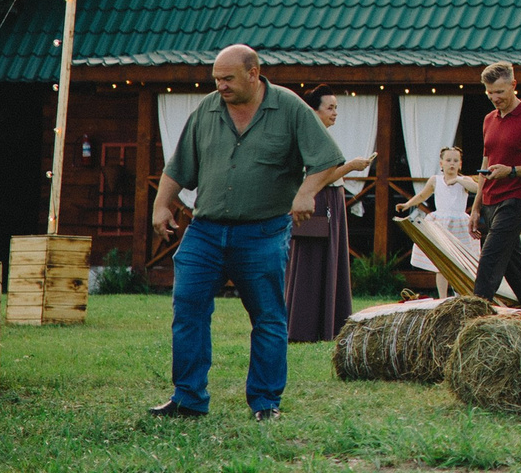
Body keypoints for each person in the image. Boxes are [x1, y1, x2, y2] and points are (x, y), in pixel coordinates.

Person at [149, 45, 343, 419]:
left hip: (264, 231)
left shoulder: (290, 108)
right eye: (216, 79)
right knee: (187, 309)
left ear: (253, 74)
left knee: (268, 317)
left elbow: (326, 158)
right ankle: (187, 398)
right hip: (205, 231)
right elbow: (178, 166)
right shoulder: (206, 110)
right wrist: (162, 204)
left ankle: (266, 403)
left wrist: (306, 192)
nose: (220, 86)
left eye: (227, 79)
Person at [284, 87, 372, 341]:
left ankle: (328, 325)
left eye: (336, 108)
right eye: (330, 108)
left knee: (329, 258)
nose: (335, 113)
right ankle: (305, 325)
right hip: (318, 199)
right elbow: (318, 176)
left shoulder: (322, 135)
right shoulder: (307, 137)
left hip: (332, 197)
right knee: (311, 259)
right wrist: (350, 167)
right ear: (314, 110)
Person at [471, 62, 521, 308]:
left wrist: (512, 171)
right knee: (513, 267)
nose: (494, 98)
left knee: (490, 260)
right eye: (489, 93)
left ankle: (473, 316)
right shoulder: (488, 120)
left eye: (500, 91)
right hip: (488, 201)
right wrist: (475, 207)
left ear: (513, 86)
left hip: (517, 198)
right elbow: (486, 162)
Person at [415, 145, 480, 298]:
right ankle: (442, 297)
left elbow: (477, 189)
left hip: (460, 225)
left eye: (455, 160)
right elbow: (422, 196)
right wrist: (407, 204)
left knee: (462, 263)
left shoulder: (464, 180)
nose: (452, 163)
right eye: (448, 160)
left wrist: (458, 179)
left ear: (460, 164)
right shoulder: (435, 180)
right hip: (441, 224)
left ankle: (461, 295)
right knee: (442, 263)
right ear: (441, 163)